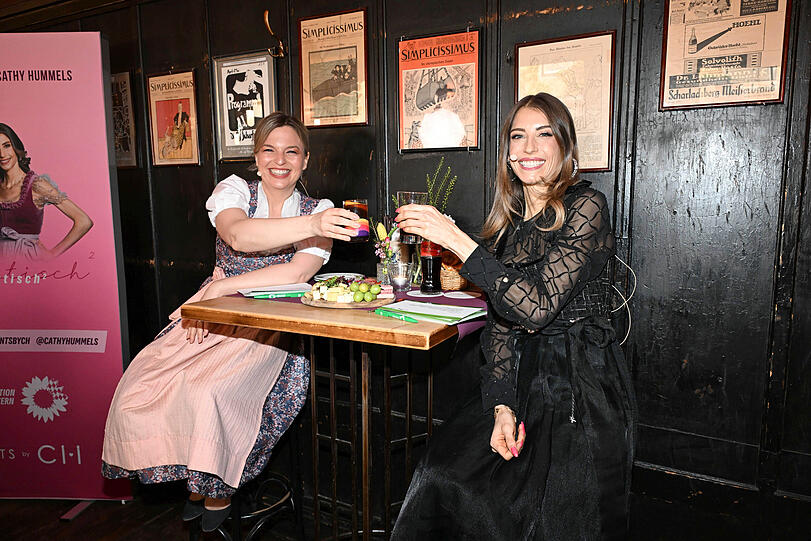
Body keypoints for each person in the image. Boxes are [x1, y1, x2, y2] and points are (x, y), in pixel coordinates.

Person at [392, 93, 636, 540]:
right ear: (507, 152)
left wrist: (457, 241)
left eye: (544, 135)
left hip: (580, 385)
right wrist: (503, 406)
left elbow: (537, 308)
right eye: (518, 137)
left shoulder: (587, 206)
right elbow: (502, 326)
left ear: (565, 146)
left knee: (562, 520)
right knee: (441, 476)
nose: (528, 148)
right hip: (521, 378)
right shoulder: (508, 225)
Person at [102, 112, 361, 533]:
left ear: (305, 160)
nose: (280, 160)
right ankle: (194, 479)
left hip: (274, 317)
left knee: (211, 392)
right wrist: (220, 293)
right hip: (216, 307)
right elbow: (238, 235)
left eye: (291, 151)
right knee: (141, 383)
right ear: (256, 158)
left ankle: (217, 487)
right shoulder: (235, 190)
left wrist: (224, 286)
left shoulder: (320, 210)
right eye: (269, 150)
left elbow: (296, 273)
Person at [0, 123, 93, 260]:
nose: (2, 154)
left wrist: (53, 254)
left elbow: (84, 221)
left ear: (16, 147)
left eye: (6, 146)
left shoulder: (37, 185)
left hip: (28, 263)